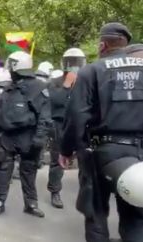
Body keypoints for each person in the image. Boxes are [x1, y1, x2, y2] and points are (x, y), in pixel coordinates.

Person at [60, 22, 143, 242]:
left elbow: (77, 115)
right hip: (140, 154)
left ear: (103, 44)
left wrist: (66, 150)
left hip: (102, 153)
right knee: (136, 215)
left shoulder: (93, 70)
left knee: (95, 212)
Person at [0, 51, 51, 218]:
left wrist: (39, 138)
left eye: (11, 65)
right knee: (4, 170)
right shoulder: (9, 87)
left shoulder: (38, 87)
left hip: (28, 136)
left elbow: (44, 116)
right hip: (8, 137)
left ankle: (31, 203)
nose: (9, 69)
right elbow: (1, 114)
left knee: (28, 171)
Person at [47, 48, 86, 209]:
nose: (74, 66)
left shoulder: (87, 80)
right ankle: (55, 191)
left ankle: (86, 193)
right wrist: (67, 85)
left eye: (77, 62)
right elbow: (55, 102)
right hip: (60, 125)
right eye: (71, 62)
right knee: (58, 160)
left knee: (86, 159)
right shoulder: (54, 82)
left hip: (82, 124)